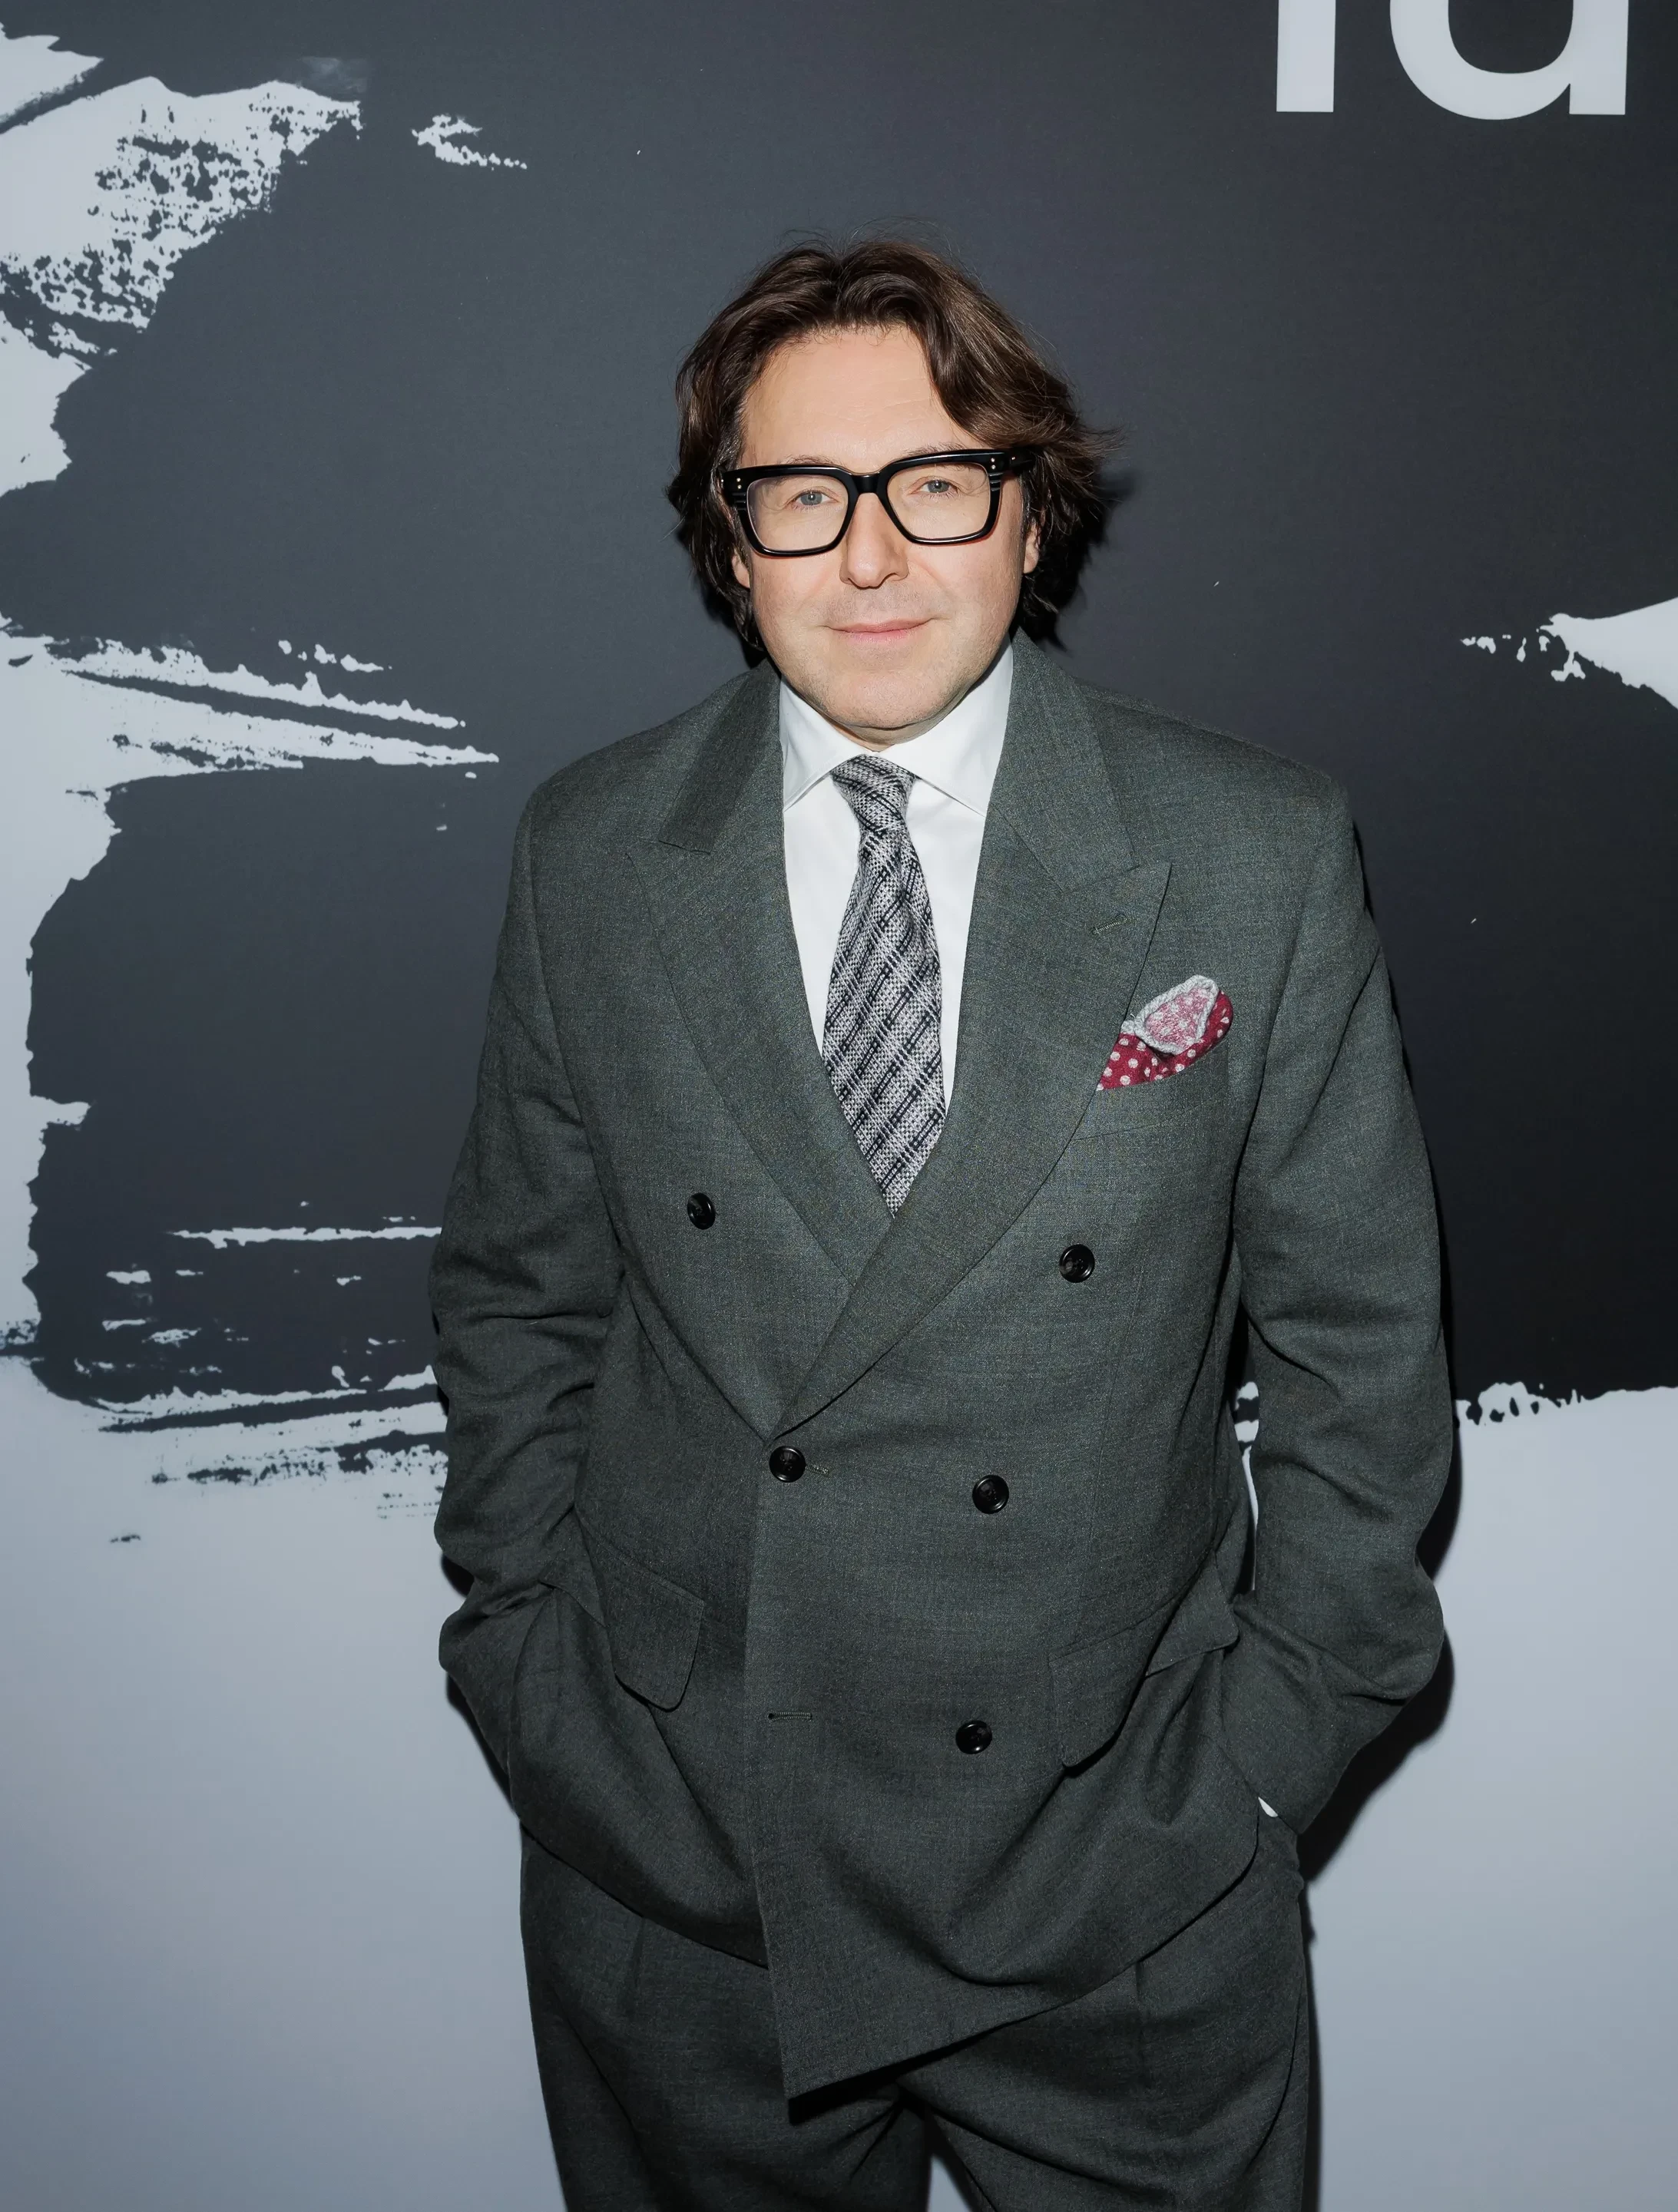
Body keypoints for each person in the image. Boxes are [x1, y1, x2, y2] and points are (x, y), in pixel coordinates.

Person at [430, 238, 1451, 2212]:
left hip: (1116, 1879)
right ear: (729, 543)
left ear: (1031, 513)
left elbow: (1366, 1353)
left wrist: (1256, 1764)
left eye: (935, 481)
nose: (874, 553)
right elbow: (519, 1300)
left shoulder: (1250, 850)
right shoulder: (595, 850)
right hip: (688, 1868)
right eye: (802, 495)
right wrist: (536, 1677)